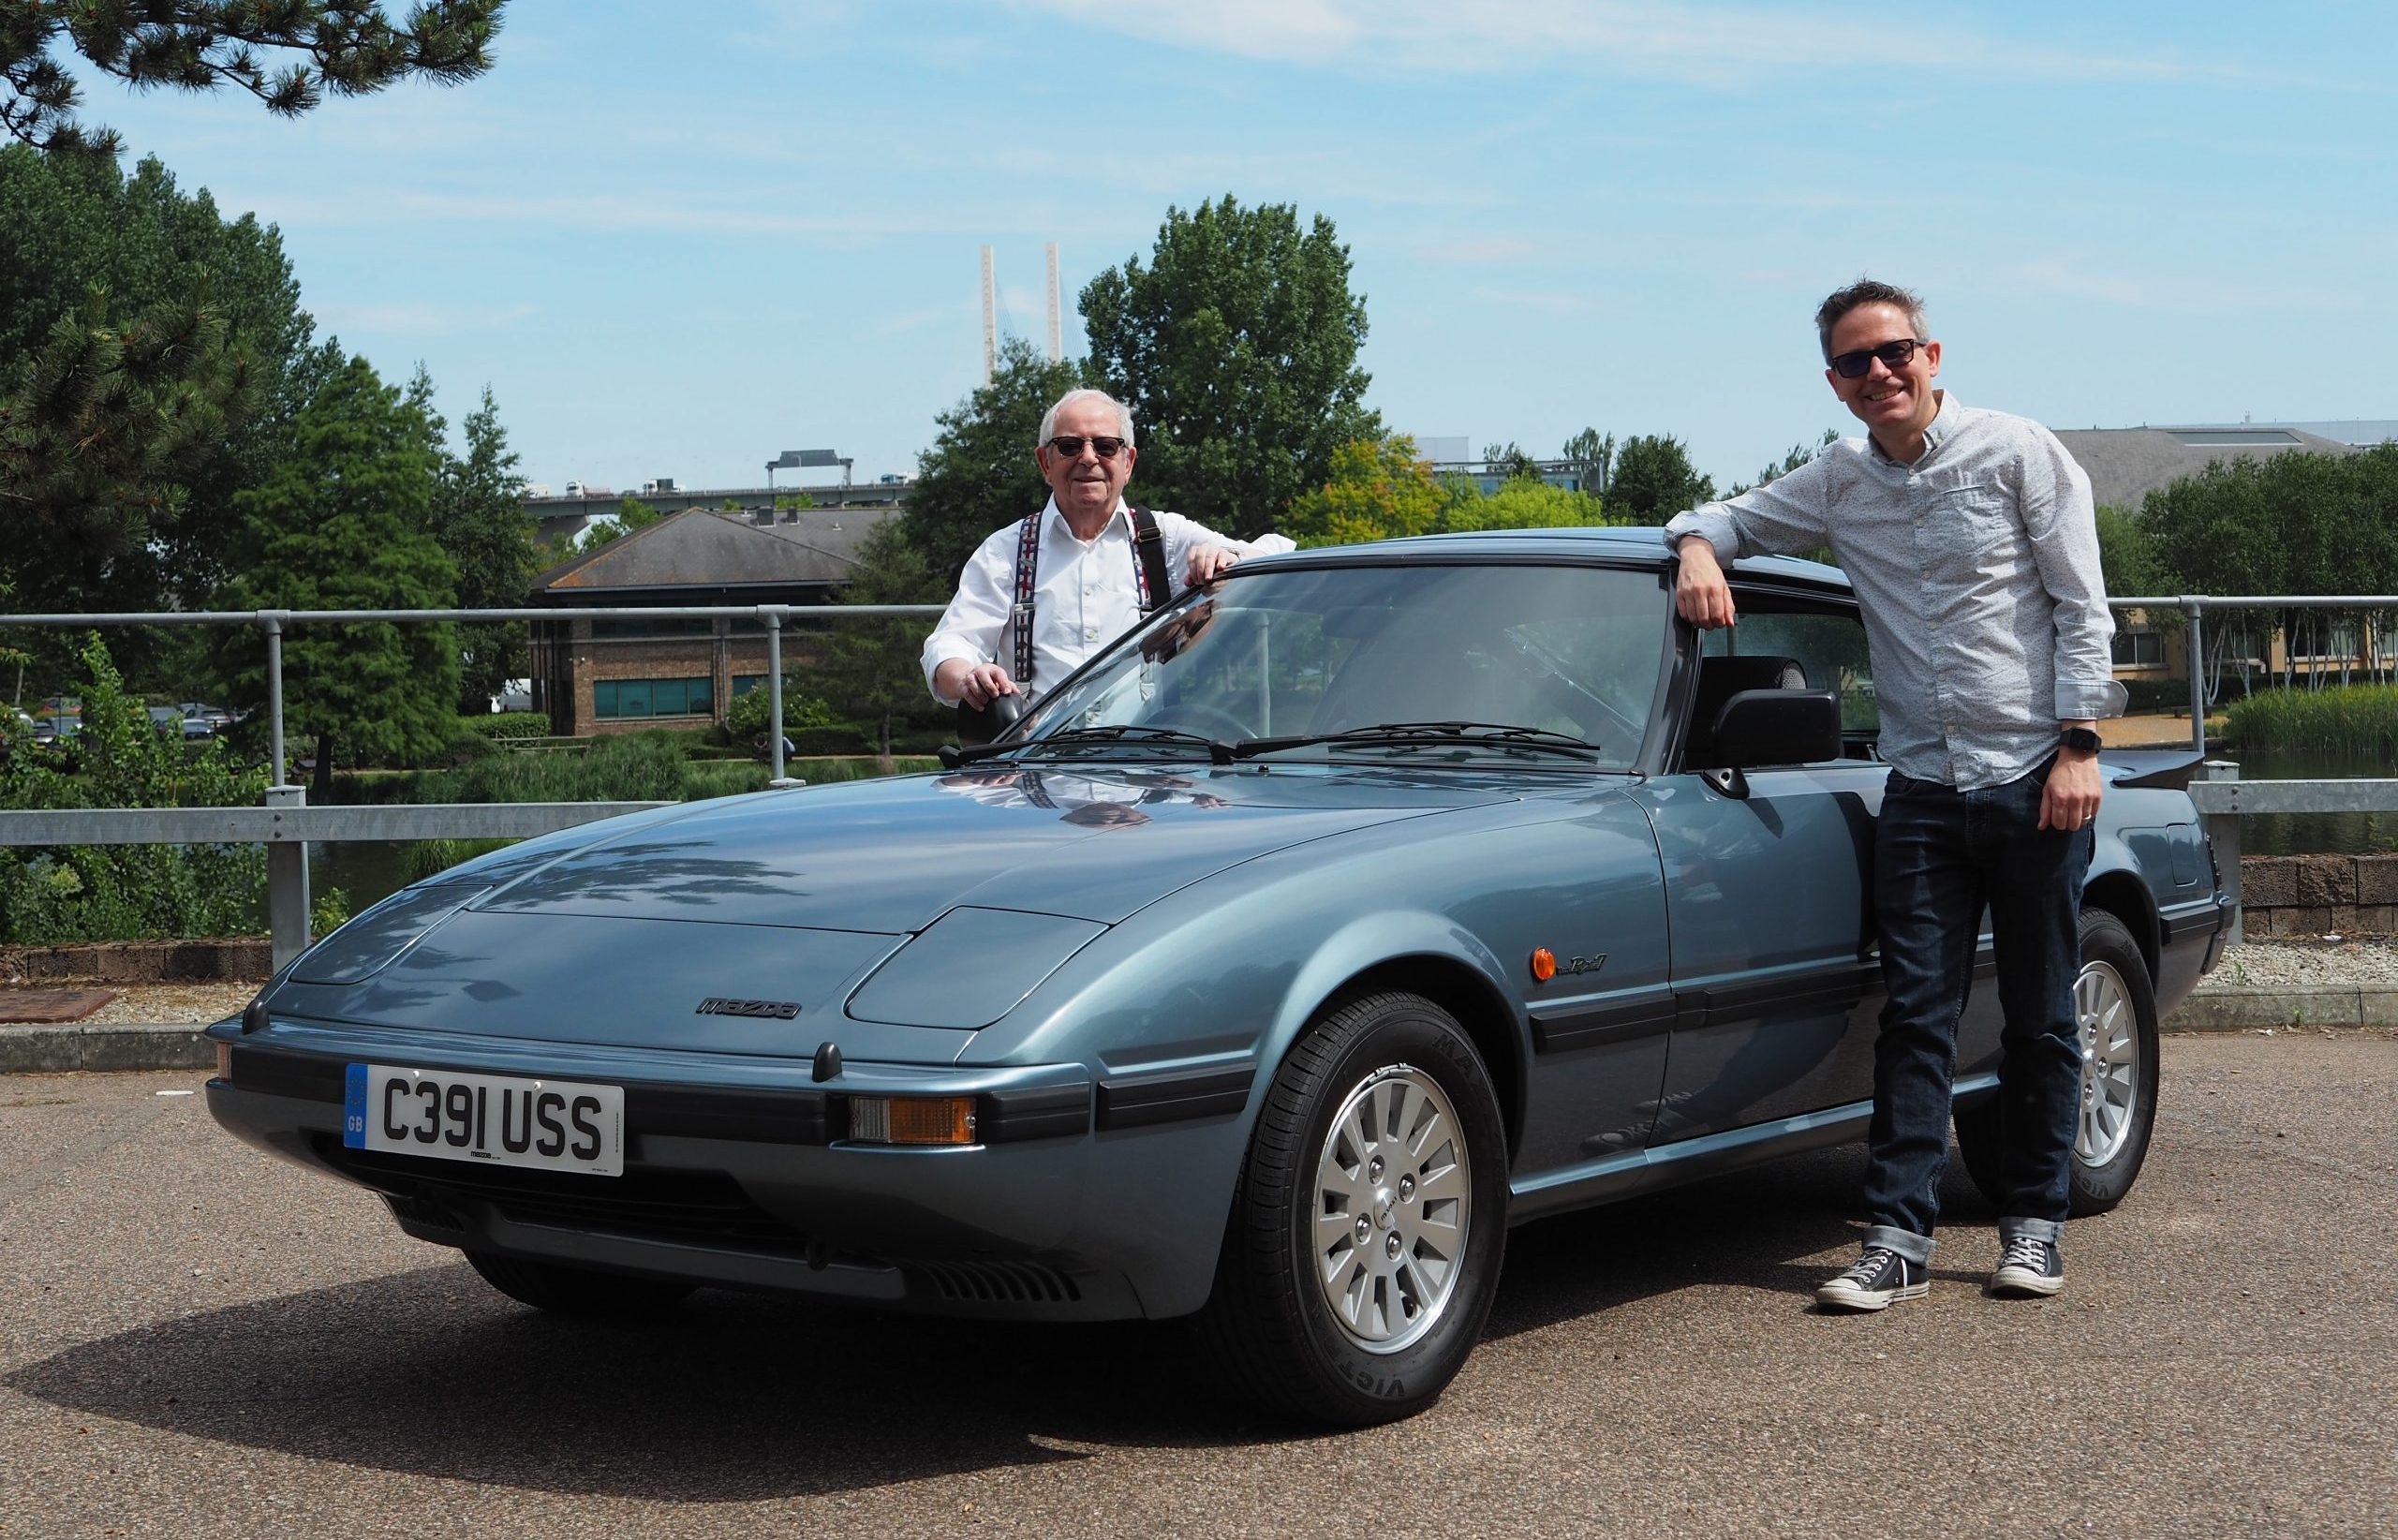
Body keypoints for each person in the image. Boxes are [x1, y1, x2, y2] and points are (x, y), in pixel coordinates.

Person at [1664, 278, 2125, 1311]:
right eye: (1853, 363)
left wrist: (2080, 746)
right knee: (1913, 1014)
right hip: (1919, 787)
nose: (1878, 374)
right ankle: (1896, 1240)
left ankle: (2034, 1227)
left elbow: (2081, 607)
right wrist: (1696, 548)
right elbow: (1724, 518)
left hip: (2032, 780)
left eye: (1893, 353)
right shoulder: (1836, 481)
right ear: (1832, 384)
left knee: (2041, 1017)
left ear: (1932, 354)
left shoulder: (2018, 451)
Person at [922, 387, 1294, 715]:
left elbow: (1277, 553)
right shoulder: (1007, 552)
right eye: (1069, 446)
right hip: (1036, 769)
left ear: (1127, 462)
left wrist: (1228, 560)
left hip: (1148, 767)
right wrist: (970, 675)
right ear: (1044, 463)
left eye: (1105, 446)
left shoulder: (1164, 537)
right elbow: (951, 643)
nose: (1088, 458)